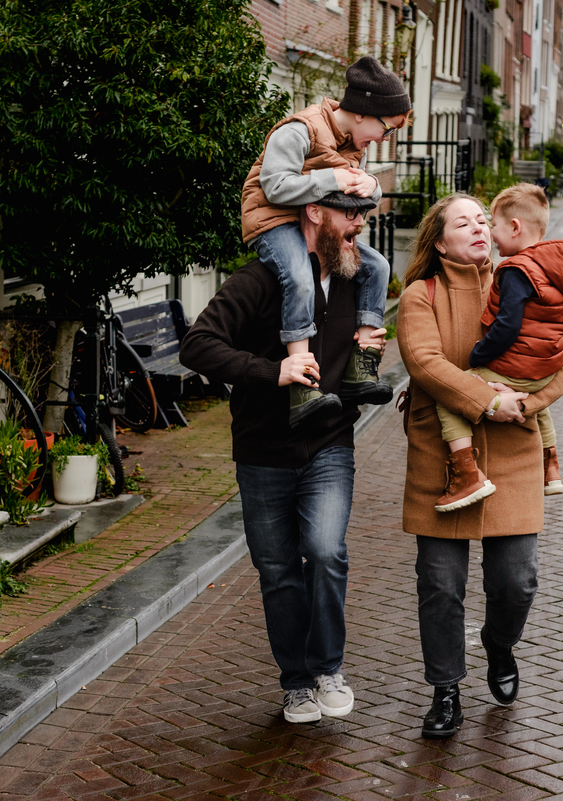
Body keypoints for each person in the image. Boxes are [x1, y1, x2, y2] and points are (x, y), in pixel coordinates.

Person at [180, 191, 387, 724]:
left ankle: (327, 669)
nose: (359, 225)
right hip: (262, 449)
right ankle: (295, 683)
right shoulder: (259, 279)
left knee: (324, 552)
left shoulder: (358, 278)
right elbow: (197, 345)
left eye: (364, 215)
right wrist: (273, 372)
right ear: (314, 213)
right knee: (276, 570)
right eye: (350, 214)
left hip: (329, 442)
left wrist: (369, 357)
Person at [397, 194, 563, 739]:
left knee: (517, 582)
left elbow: (561, 367)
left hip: (515, 454)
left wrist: (524, 404)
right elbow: (425, 363)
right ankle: (446, 689)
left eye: (482, 219)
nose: (477, 227)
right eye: (463, 221)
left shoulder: (523, 280)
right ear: (440, 238)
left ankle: (499, 644)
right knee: (440, 585)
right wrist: (486, 398)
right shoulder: (418, 296)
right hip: (443, 460)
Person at [241, 55, 408, 427]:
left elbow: (354, 190)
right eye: (388, 129)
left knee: (378, 266)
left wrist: (374, 187)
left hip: (317, 223)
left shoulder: (354, 141)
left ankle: (360, 365)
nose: (385, 139)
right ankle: (303, 385)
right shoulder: (299, 130)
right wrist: (332, 179)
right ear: (365, 112)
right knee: (300, 276)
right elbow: (275, 185)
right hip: (276, 219)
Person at [432, 184, 563, 512]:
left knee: (452, 399)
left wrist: (479, 355)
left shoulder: (515, 271)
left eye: (491, 224)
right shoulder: (553, 266)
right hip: (546, 365)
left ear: (514, 227)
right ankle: (550, 465)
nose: (490, 233)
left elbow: (507, 327)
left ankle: (466, 473)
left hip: (515, 365)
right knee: (540, 405)